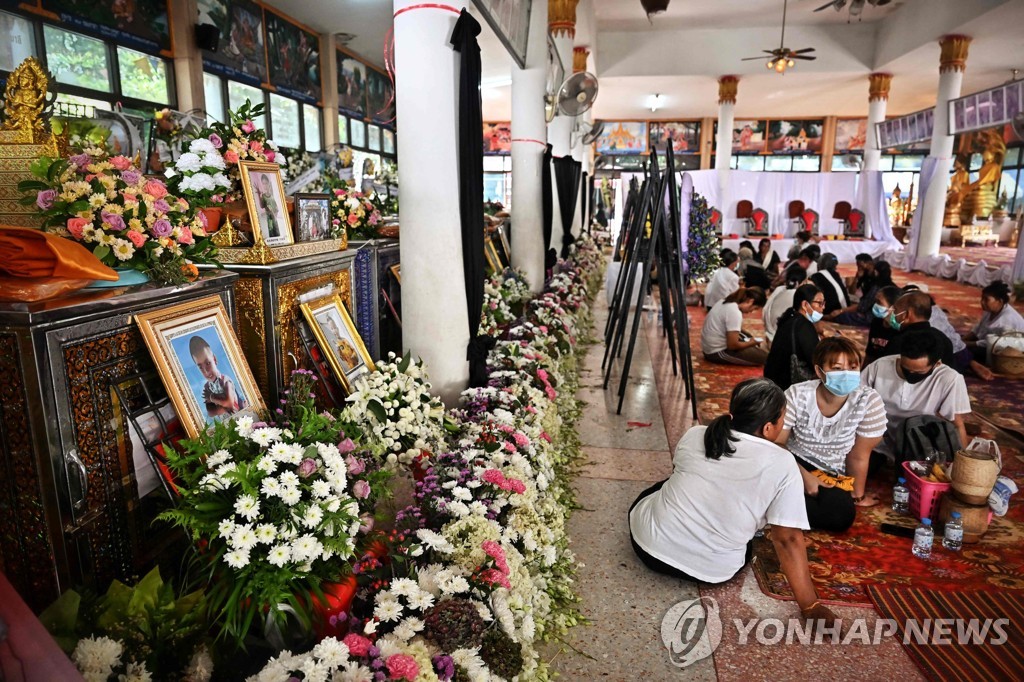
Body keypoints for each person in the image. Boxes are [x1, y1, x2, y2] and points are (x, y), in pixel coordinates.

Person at [628, 379, 838, 624]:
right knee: (749, 539)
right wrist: (810, 605)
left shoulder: (696, 434)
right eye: (782, 419)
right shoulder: (783, 464)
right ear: (769, 428)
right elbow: (787, 538)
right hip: (710, 570)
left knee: (665, 486)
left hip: (647, 546)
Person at [777, 338, 887, 532]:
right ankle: (775, 502)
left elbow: (859, 455)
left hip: (830, 470)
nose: (846, 374)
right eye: (837, 368)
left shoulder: (867, 400)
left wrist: (857, 497)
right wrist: (803, 477)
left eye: (852, 367)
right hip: (793, 460)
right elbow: (777, 446)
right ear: (820, 371)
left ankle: (771, 506)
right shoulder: (798, 394)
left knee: (841, 514)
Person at [862, 330, 971, 461]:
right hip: (877, 440)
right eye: (905, 369)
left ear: (937, 364)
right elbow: (853, 401)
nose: (910, 374)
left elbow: (957, 424)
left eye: (918, 372)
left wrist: (962, 463)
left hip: (920, 445)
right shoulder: (880, 366)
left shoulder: (949, 379)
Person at [764, 284, 824, 390]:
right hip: (788, 384)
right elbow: (816, 360)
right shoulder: (804, 326)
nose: (823, 308)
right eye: (820, 303)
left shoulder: (790, 318)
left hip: (774, 380)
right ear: (805, 304)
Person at [963, 281, 1024, 380]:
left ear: (999, 301)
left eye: (986, 299)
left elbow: (995, 342)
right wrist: (962, 340)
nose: (982, 302)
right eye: (982, 298)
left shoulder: (1007, 319)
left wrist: (966, 344)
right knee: (958, 341)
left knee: (967, 351)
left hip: (1007, 350)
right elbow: (978, 329)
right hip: (988, 345)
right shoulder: (990, 311)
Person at [882, 291, 955, 369]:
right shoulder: (944, 339)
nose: (892, 313)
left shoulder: (899, 341)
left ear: (906, 315)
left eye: (895, 310)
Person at [701, 287, 769, 365]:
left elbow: (734, 330)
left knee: (747, 337)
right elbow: (732, 346)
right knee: (764, 357)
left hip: (709, 347)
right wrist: (752, 342)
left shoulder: (725, 301)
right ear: (750, 301)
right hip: (716, 352)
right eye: (755, 308)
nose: (751, 311)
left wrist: (749, 339)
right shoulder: (734, 312)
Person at [189, 336, 246, 419]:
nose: (206, 371)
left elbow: (229, 403)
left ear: (214, 360)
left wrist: (212, 398)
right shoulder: (207, 387)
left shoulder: (225, 380)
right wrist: (222, 406)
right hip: (226, 422)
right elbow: (211, 413)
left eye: (208, 363)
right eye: (200, 367)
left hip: (240, 417)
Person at [830, 260, 894, 328]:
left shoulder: (877, 288)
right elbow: (852, 291)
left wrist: (841, 311)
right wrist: (857, 278)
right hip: (881, 317)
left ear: (875, 272)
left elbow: (862, 307)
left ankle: (827, 317)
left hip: (872, 318)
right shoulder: (893, 286)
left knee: (843, 316)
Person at [764, 265, 806, 342]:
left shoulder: (779, 289)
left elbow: (765, 310)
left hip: (768, 332)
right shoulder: (797, 295)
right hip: (780, 337)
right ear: (803, 282)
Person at [864, 285, 901, 365]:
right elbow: (870, 354)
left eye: (879, 302)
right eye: (875, 301)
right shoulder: (876, 322)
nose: (875, 305)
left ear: (893, 307)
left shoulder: (900, 330)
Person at [257, 174, 281, 239]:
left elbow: (276, 207)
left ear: (268, 183)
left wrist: (274, 214)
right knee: (271, 232)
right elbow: (262, 206)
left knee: (277, 231)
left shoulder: (273, 195)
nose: (265, 185)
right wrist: (260, 196)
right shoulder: (263, 196)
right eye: (263, 183)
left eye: (266, 183)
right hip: (269, 218)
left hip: (275, 217)